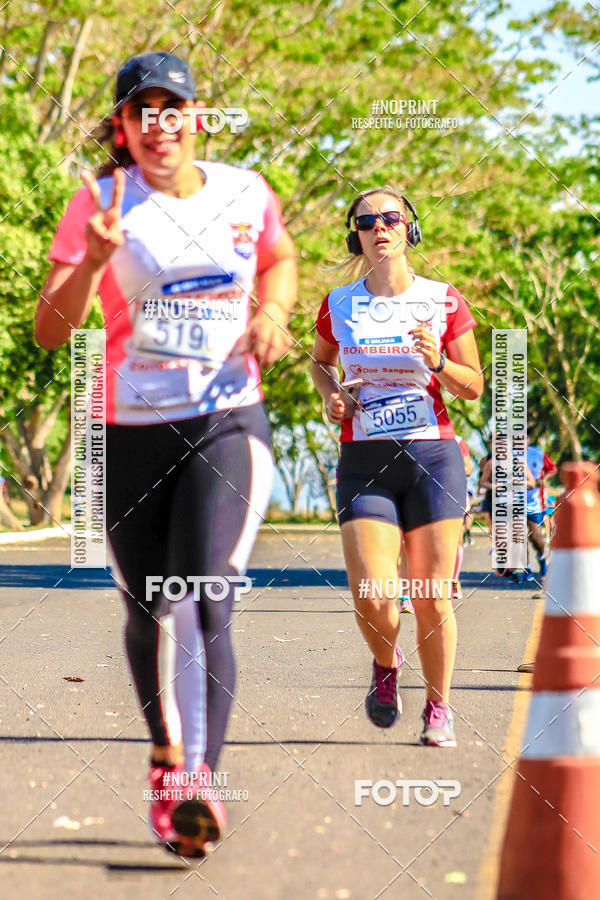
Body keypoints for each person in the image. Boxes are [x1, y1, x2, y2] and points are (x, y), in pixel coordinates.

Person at [35, 51, 297, 856]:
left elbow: (279, 261)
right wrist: (93, 261)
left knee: (205, 593)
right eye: (141, 112)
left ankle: (198, 786)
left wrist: (274, 314)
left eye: (172, 109)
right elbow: (52, 329)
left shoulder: (245, 191)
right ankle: (164, 754)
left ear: (196, 116)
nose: (159, 126)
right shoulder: (98, 203)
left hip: (227, 420)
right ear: (123, 127)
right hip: (129, 435)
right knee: (150, 605)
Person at [310, 187, 483, 748]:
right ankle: (386, 666)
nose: (379, 227)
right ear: (355, 234)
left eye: (390, 218)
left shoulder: (443, 299)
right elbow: (320, 364)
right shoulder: (338, 302)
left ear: (409, 228)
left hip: (433, 458)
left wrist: (437, 362)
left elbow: (475, 387)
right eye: (366, 221)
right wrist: (331, 396)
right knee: (373, 594)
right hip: (364, 462)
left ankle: (439, 707)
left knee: (433, 596)